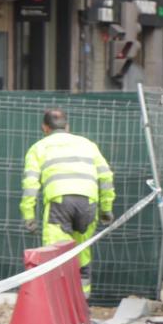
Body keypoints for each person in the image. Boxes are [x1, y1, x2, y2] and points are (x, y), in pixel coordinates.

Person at [21, 108, 115, 295]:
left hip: (59, 203)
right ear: (68, 127)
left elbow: (30, 184)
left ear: (44, 127)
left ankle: (56, 301)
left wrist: (29, 216)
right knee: (82, 253)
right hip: (88, 202)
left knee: (54, 254)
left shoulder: (38, 148)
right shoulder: (88, 145)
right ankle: (82, 303)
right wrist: (106, 209)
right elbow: (106, 177)